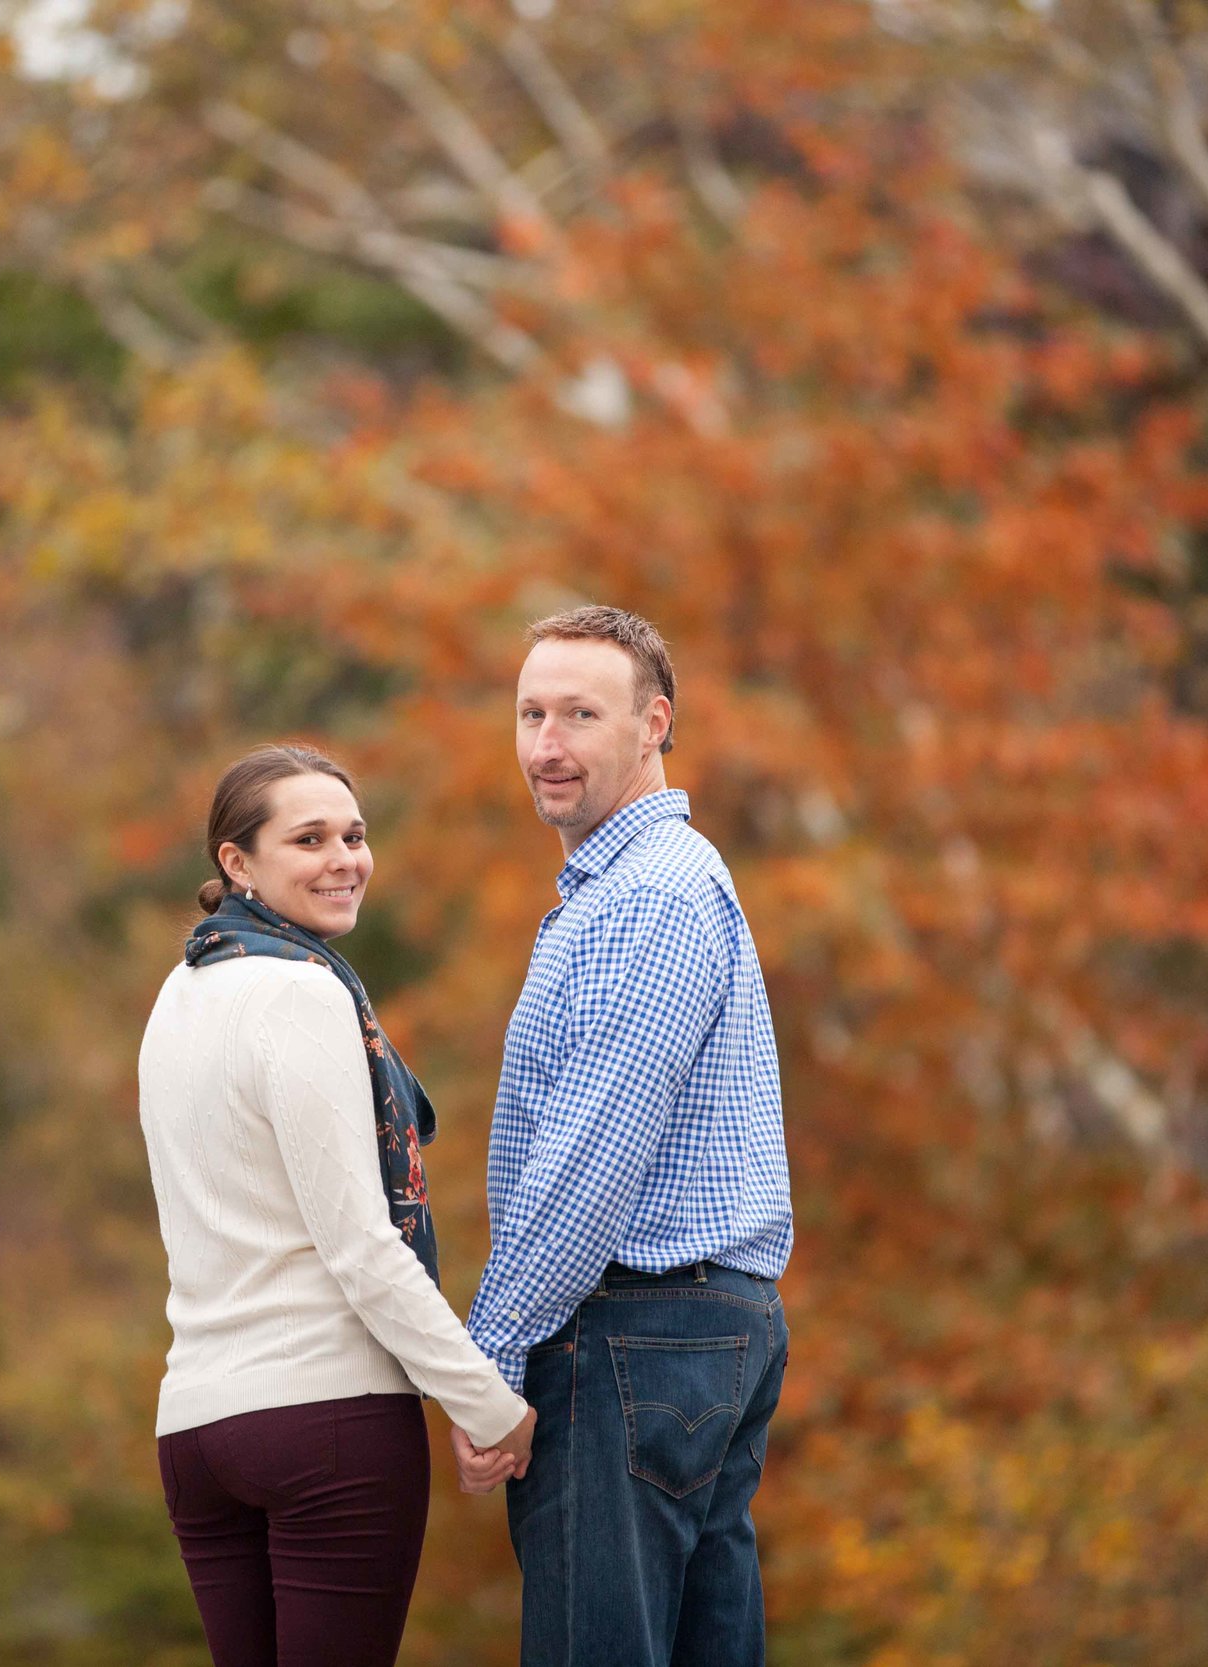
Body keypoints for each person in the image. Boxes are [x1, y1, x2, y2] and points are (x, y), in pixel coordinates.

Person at [138, 743, 538, 1667]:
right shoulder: (301, 993)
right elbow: (361, 1244)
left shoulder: (180, 993)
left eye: (354, 835)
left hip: (196, 1430)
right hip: (324, 1420)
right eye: (308, 838)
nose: (344, 858)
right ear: (236, 862)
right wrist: (487, 1403)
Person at [453, 606, 795, 1667]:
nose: (545, 744)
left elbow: (590, 1155)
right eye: (530, 713)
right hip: (693, 1331)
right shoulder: (647, 885)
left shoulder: (647, 898)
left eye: (579, 715)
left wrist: (490, 1360)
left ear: (654, 724)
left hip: (634, 1332)